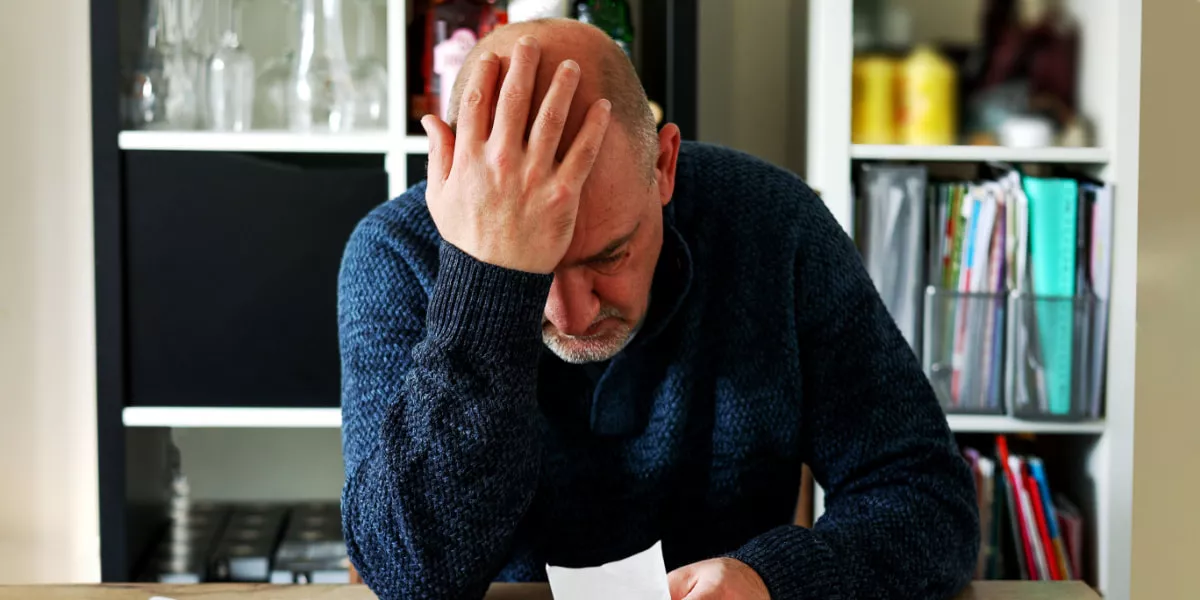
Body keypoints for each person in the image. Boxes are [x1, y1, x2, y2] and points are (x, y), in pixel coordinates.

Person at [337, 18, 979, 600]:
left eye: (609, 255)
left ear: (664, 165)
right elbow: (412, 578)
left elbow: (928, 502)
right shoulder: (396, 254)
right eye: (538, 277)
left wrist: (775, 580)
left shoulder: (774, 226)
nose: (572, 314)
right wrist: (487, 282)